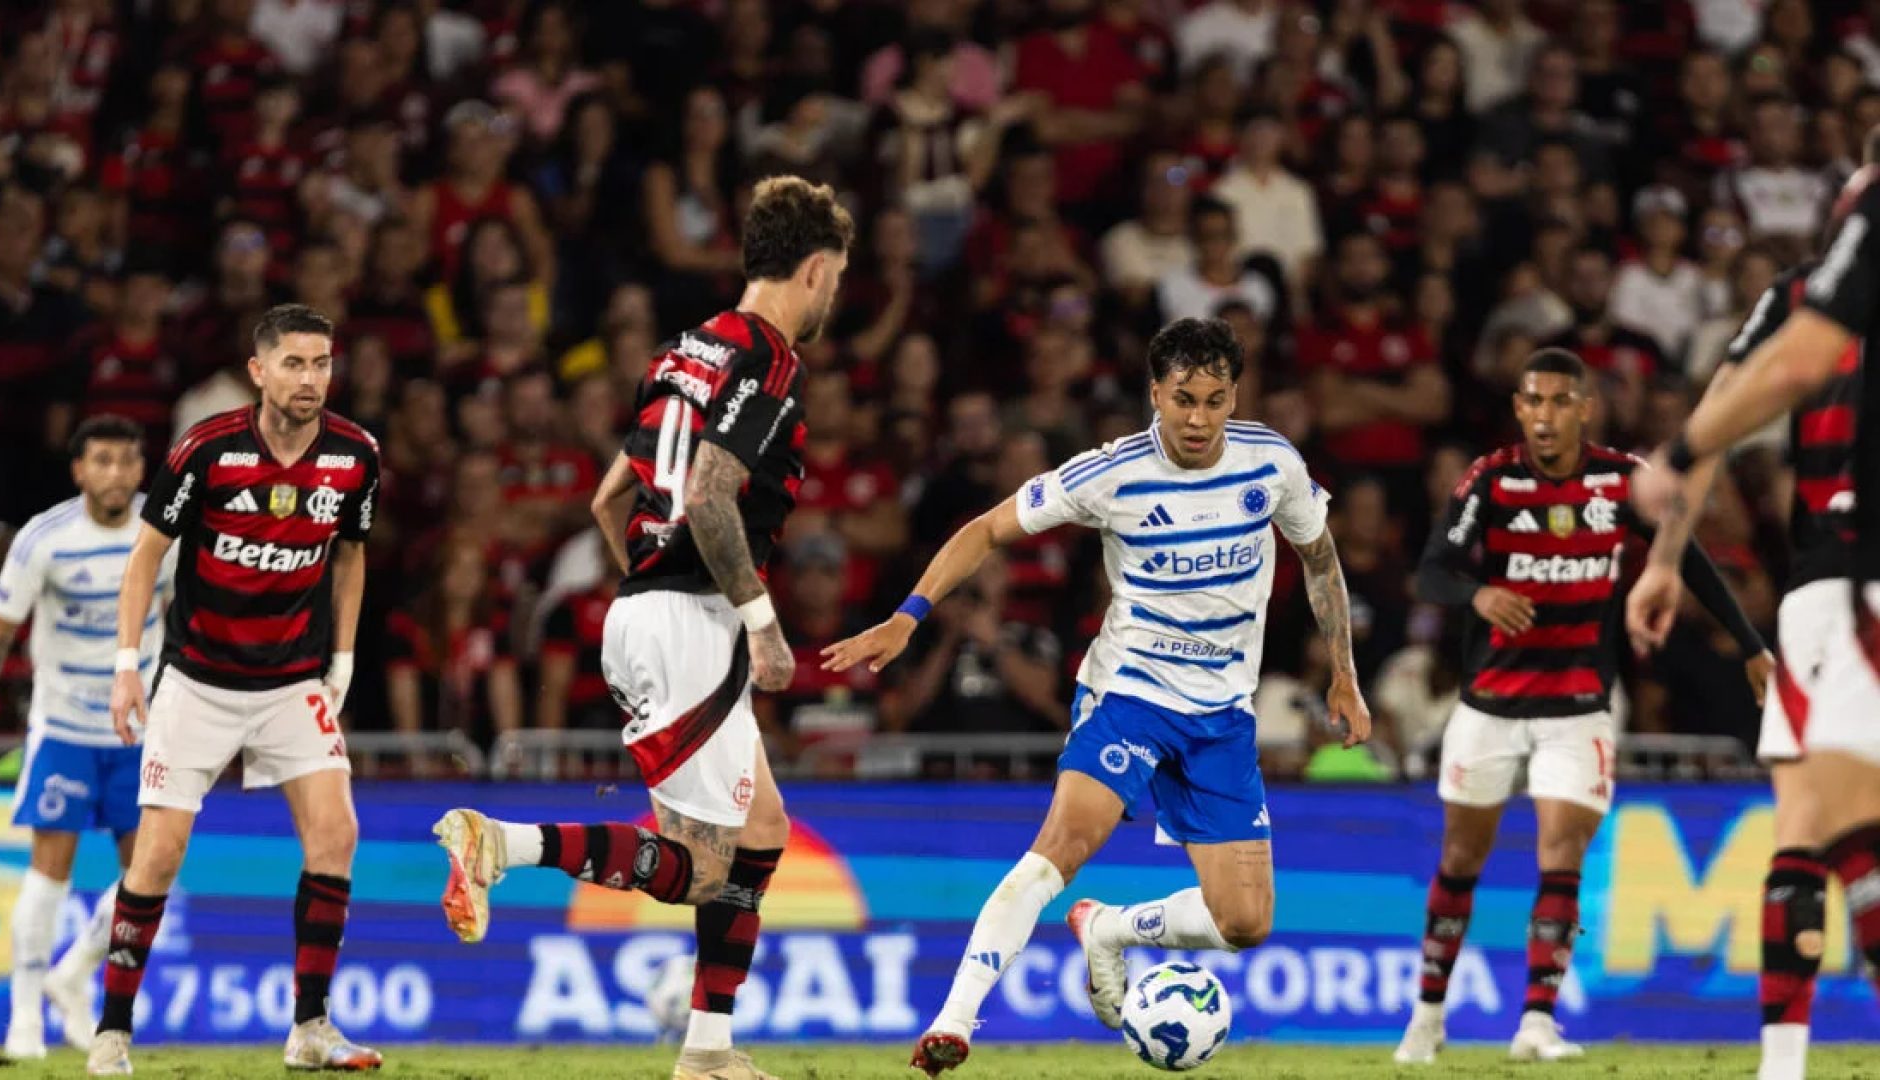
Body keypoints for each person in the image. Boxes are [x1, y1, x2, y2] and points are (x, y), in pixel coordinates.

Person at [822, 316, 1372, 1076]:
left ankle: (1111, 930)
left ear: (1234, 396)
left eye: (1215, 400)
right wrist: (908, 616)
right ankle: (954, 1019)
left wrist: (1343, 670)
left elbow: (1320, 557)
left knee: (1244, 923)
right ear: (1155, 393)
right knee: (1059, 850)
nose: (1198, 419)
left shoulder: (1269, 463)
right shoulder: (1109, 473)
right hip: (1130, 695)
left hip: (1220, 718)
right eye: (1183, 399)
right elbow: (984, 530)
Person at [429, 176, 853, 1080]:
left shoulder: (681, 351)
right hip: (692, 618)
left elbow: (608, 496)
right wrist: (758, 623)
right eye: (838, 280)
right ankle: (501, 843)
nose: (833, 298)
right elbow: (707, 493)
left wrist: (647, 592)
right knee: (701, 869)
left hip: (649, 607)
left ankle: (706, 1051)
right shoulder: (769, 360)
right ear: (816, 270)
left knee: (764, 829)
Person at [1394, 348, 1771, 1066]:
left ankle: (1536, 1020)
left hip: (1579, 706)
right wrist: (1477, 593)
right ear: (1518, 408)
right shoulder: (1492, 480)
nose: (1545, 415)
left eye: (1560, 401)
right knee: (1460, 859)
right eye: (1533, 401)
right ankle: (1427, 1015)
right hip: (1490, 705)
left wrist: (1750, 644)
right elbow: (1432, 570)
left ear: (1585, 408)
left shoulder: (1620, 481)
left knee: (1561, 855)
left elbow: (1685, 556)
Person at [1629, 147, 1880, 1079]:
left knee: (1810, 830)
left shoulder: (1800, 300)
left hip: (1839, 591)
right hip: (1830, 588)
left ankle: (1782, 1063)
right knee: (1838, 835)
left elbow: (1723, 415)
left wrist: (1662, 558)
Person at [87, 304, 383, 1075]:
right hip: (198, 679)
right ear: (259, 371)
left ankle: (310, 1028)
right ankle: (112, 1031)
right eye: (294, 363)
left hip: (292, 682)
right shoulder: (207, 449)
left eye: (321, 363)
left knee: (337, 835)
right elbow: (147, 557)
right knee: (155, 857)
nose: (311, 378)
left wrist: (342, 659)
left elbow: (350, 556)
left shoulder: (356, 455)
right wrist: (127, 665)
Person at [0, 417, 168, 1059]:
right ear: (78, 469)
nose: (114, 473)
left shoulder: (164, 534)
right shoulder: (43, 539)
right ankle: (24, 1023)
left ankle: (73, 970)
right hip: (65, 728)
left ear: (141, 471)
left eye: (126, 462)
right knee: (49, 876)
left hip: (142, 732)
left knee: (152, 877)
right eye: (101, 461)